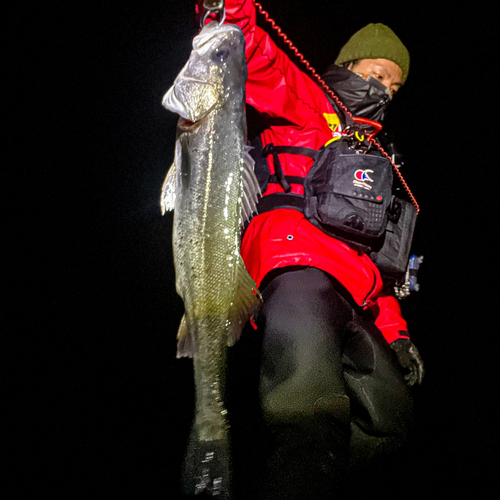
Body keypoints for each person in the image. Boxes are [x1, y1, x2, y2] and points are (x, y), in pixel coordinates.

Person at [197, 2, 425, 499]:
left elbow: (380, 262)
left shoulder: (376, 153)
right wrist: (226, 8)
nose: (385, 88)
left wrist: (397, 333)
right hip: (298, 268)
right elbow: (251, 51)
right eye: (377, 73)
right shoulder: (307, 100)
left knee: (390, 425)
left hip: (356, 296)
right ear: (348, 66)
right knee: (307, 413)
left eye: (395, 84)